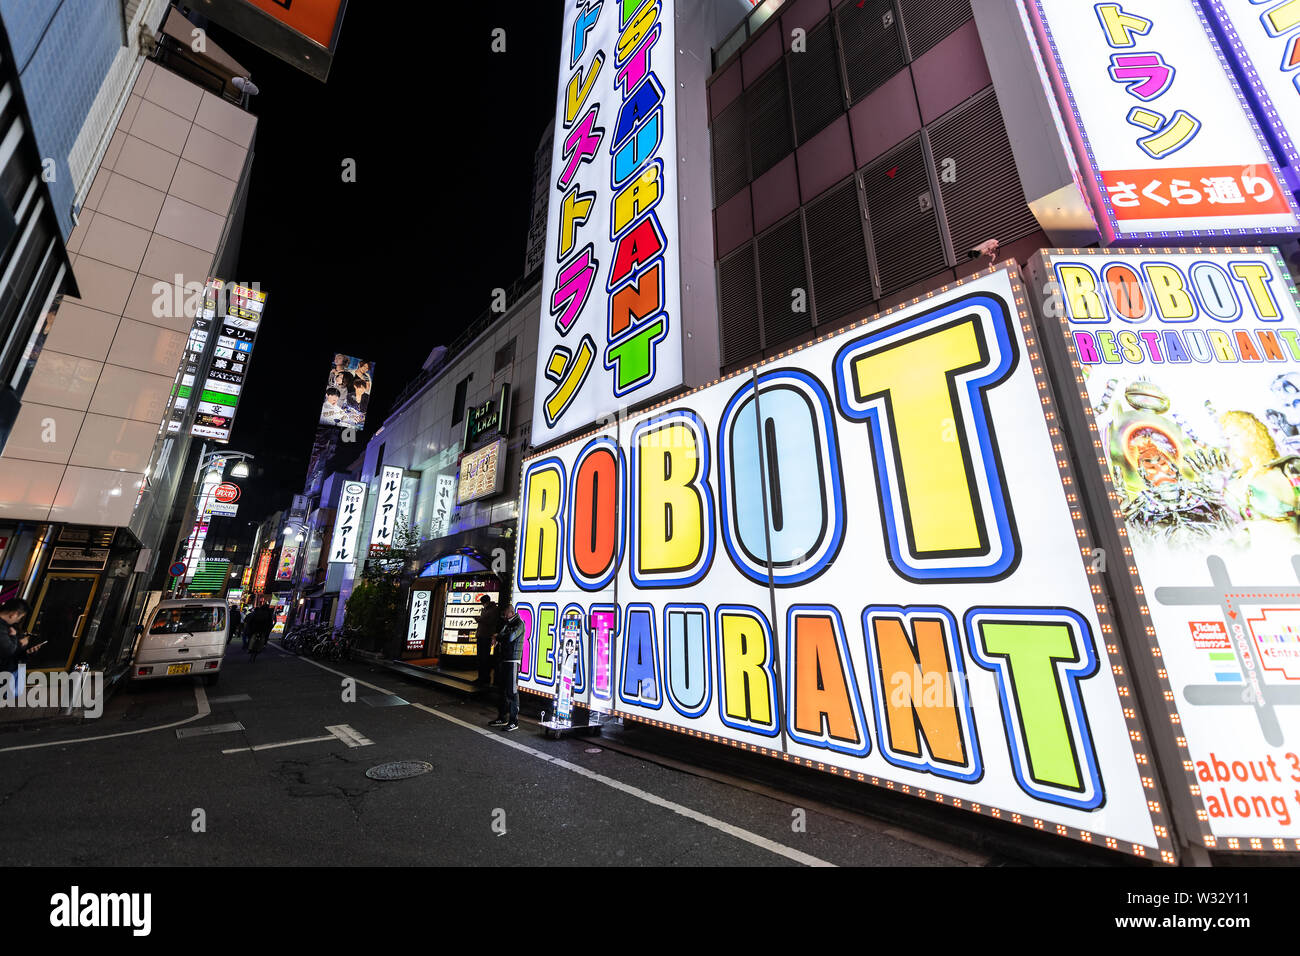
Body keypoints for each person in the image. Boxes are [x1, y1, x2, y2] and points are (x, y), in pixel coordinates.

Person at [489, 604, 524, 731]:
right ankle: (502, 717)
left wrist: (497, 636)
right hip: (504, 659)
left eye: (505, 614)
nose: (504, 616)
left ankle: (514, 721)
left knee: (512, 691)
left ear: (511, 612)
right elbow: (503, 635)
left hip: (513, 660)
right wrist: (498, 636)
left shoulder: (519, 623)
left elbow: (509, 637)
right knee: (502, 690)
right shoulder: (508, 623)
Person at [0, 598, 42, 699]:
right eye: (20, 617)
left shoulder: (9, 626)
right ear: (14, 614)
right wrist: (18, 641)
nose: (18, 620)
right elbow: (9, 650)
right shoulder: (3, 628)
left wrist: (27, 652)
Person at [474, 595, 501, 684]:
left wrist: (480, 619)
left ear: (486, 602)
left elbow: (490, 621)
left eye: (483, 603)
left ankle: (485, 678)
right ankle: (481, 677)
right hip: (482, 635)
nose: (483, 605)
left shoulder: (494, 610)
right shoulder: (488, 609)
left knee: (484, 658)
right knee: (480, 658)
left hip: (487, 636)